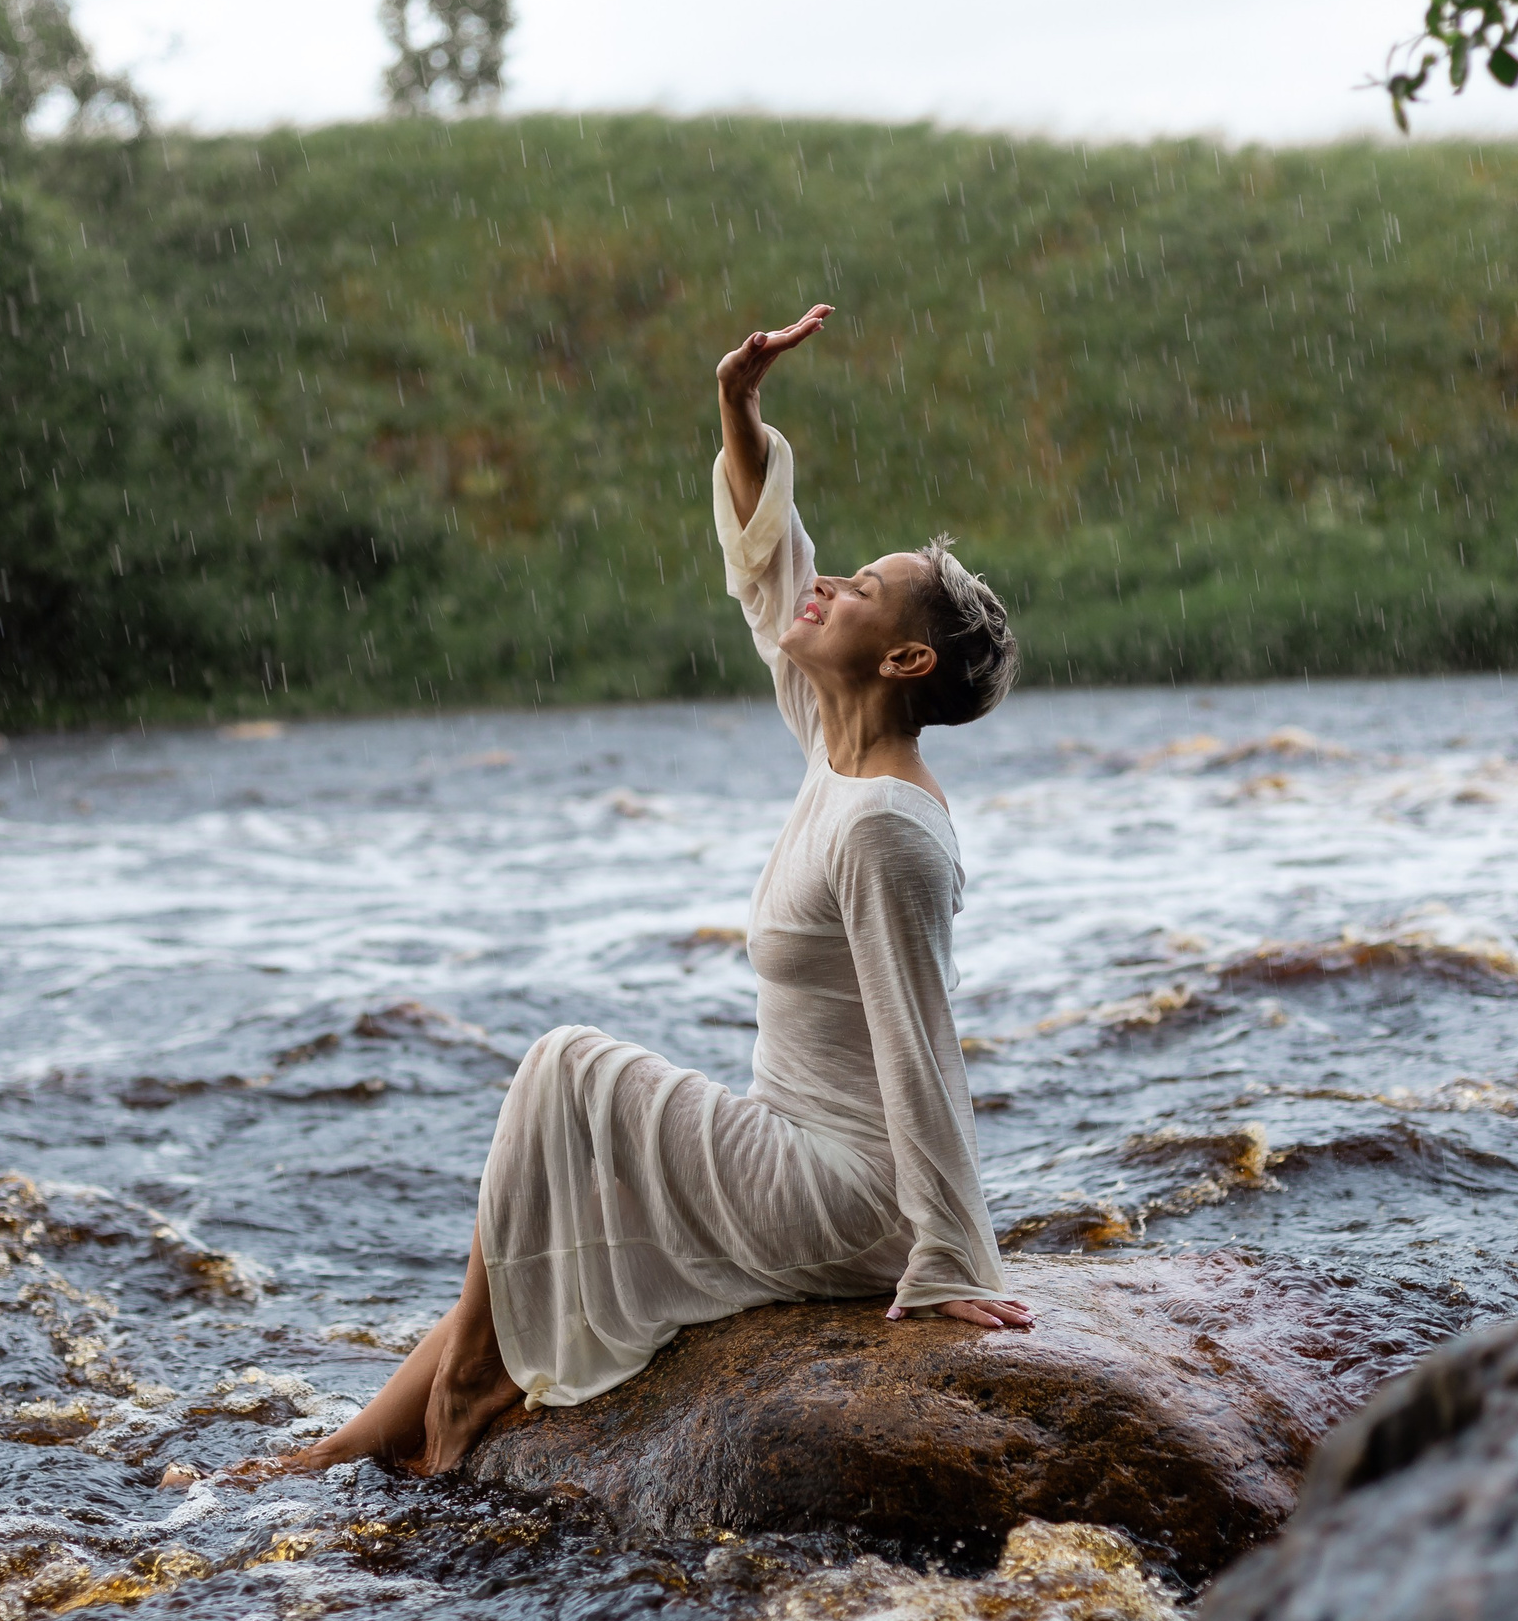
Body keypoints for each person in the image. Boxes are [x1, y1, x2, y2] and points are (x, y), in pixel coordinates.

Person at [182, 305, 1028, 1487]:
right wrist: (738, 411)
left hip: (848, 1193)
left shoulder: (887, 825)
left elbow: (921, 1051)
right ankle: (335, 1449)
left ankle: (466, 1396)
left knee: (566, 1070)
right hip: (792, 1148)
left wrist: (948, 1261)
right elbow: (771, 573)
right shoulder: (835, 752)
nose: (829, 583)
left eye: (866, 589)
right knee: (549, 1198)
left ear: (903, 661)